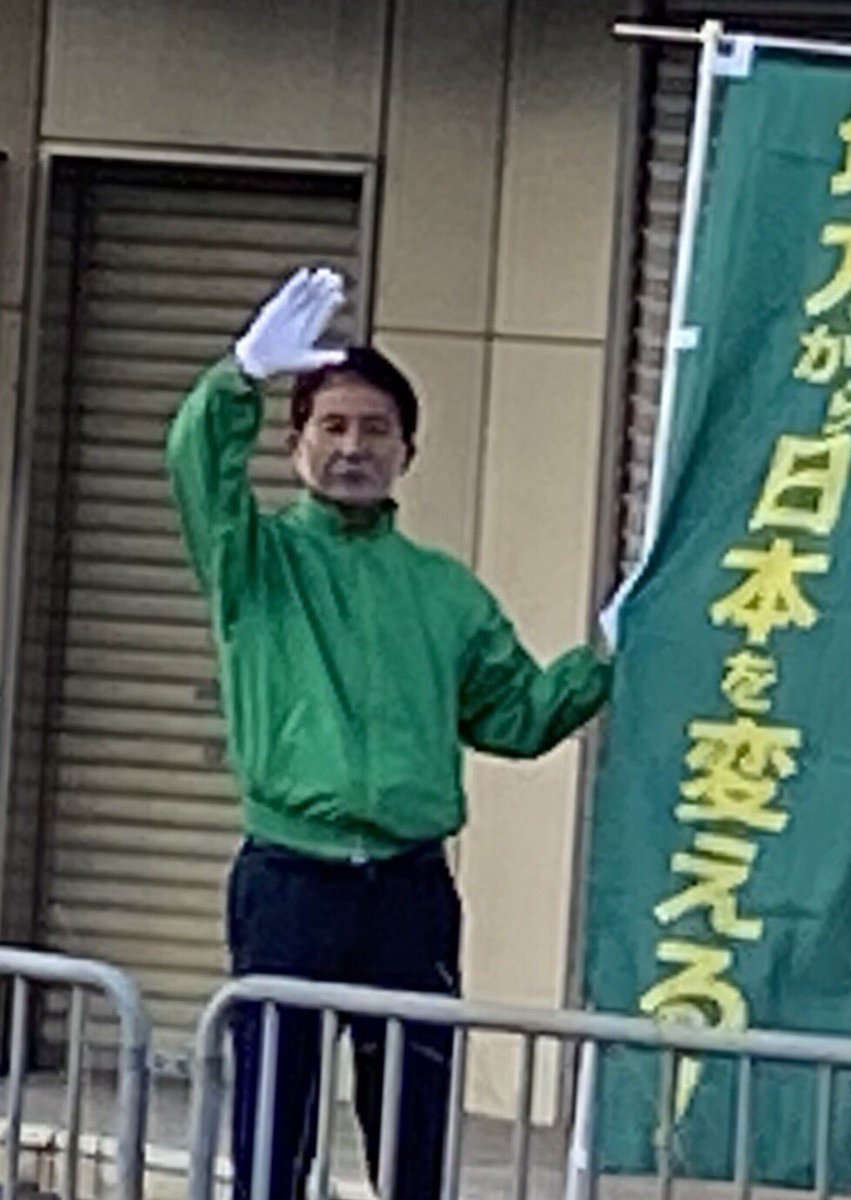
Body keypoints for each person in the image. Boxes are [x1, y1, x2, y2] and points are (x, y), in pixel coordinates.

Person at [165, 268, 615, 1200]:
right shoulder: (255, 562)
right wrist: (240, 377)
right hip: (290, 879)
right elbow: (197, 470)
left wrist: (608, 656)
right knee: (273, 1132)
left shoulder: (445, 592)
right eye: (331, 426)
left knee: (414, 1137)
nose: (352, 447)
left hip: (409, 889)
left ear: (408, 451)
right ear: (295, 444)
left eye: (375, 429)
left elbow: (517, 717)